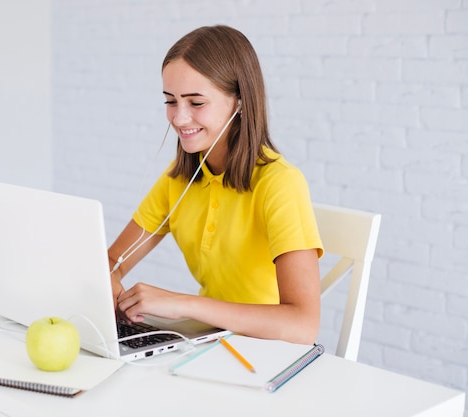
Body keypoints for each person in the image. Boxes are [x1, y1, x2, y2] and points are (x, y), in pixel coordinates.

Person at [108, 25, 323, 345]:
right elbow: (111, 262)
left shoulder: (279, 184)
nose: (179, 119)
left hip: (267, 352)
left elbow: (303, 326)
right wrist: (112, 296)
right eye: (171, 101)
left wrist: (182, 304)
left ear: (239, 102)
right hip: (212, 344)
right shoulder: (178, 180)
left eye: (196, 103)